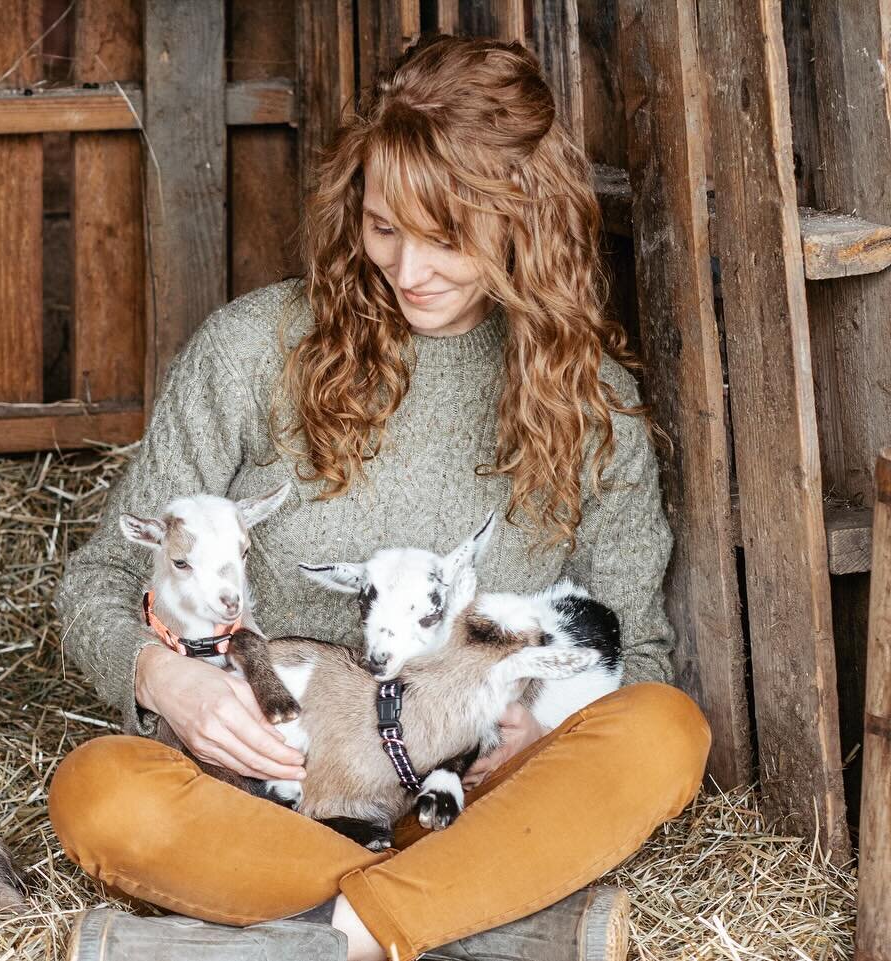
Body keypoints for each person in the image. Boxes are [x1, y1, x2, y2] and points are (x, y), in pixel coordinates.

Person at [47, 34, 710, 961]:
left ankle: (320, 937)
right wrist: (165, 679)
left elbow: (637, 655)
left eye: (449, 236)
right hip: (278, 798)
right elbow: (102, 578)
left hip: (477, 801)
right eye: (385, 227)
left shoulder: (591, 404)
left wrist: (532, 731)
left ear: (525, 215)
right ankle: (457, 926)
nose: (410, 268)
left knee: (666, 733)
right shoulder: (251, 352)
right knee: (99, 790)